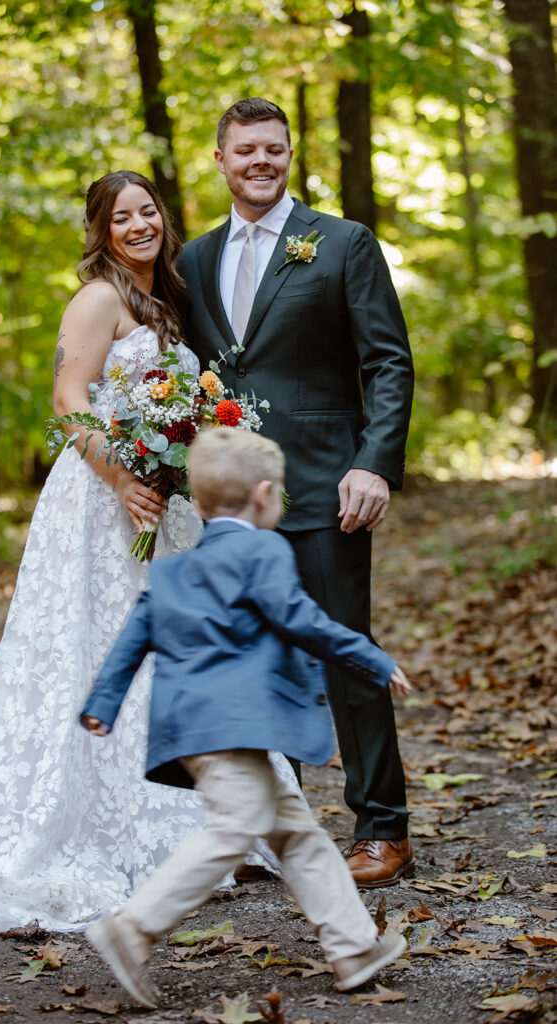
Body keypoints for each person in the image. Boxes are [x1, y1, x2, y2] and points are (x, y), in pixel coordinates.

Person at [0, 172, 280, 939]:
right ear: (99, 230)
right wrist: (126, 478)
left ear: (163, 218)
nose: (138, 226)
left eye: (147, 212)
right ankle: (85, 824)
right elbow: (70, 398)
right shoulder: (98, 297)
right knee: (91, 648)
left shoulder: (162, 298)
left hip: (162, 500)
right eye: (120, 217)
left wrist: (178, 456)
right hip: (102, 497)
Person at [80, 428, 410, 1009]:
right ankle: (132, 929)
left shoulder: (177, 570)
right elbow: (302, 619)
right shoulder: (265, 550)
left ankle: (354, 947)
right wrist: (371, 657)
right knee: (234, 829)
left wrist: (102, 705)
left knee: (298, 835)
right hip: (235, 728)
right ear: (264, 496)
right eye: (281, 492)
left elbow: (135, 636)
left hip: (195, 733)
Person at [179, 98, 416, 888]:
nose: (259, 162)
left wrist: (374, 461)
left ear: (289, 155)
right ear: (219, 159)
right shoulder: (193, 261)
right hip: (229, 498)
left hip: (325, 483)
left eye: (272, 150)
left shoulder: (343, 243)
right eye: (244, 150)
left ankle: (382, 828)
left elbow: (387, 361)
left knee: (344, 651)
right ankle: (268, 831)